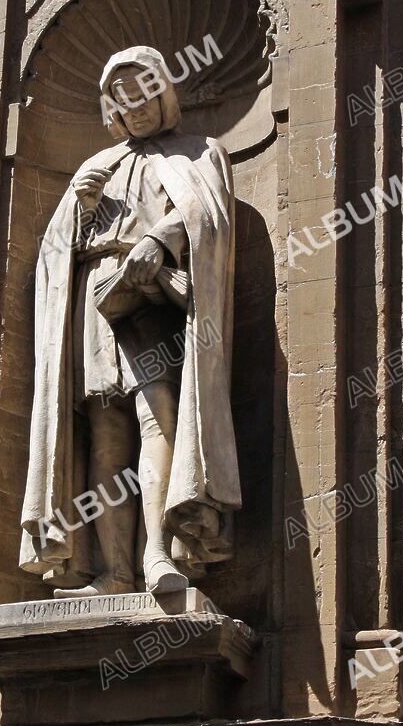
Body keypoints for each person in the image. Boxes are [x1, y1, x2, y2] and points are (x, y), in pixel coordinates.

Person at [19, 46, 241, 596]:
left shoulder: (199, 151)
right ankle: (113, 570)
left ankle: (159, 554)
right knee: (105, 430)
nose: (135, 107)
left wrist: (158, 239)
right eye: (123, 98)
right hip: (97, 299)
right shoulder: (100, 165)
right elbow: (57, 250)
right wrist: (80, 207)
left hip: (153, 301)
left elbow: (208, 216)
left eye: (144, 93)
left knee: (159, 411)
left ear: (165, 91)